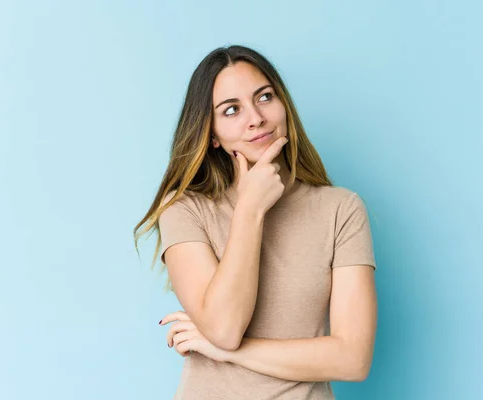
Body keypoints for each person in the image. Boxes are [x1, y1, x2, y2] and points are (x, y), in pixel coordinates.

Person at [133, 45, 377, 400]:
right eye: (231, 110)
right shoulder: (185, 209)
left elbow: (353, 359)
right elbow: (224, 328)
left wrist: (227, 351)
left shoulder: (341, 210)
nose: (255, 118)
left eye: (264, 97)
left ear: (284, 107)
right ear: (212, 134)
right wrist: (250, 210)